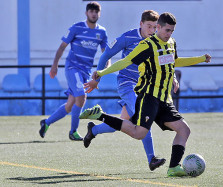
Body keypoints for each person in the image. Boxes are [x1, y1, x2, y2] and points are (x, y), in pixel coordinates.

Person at [79, 12, 211, 177]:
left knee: (183, 130)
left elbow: (173, 61)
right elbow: (125, 61)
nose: (169, 34)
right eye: (166, 30)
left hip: (164, 98)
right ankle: (151, 157)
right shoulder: (146, 45)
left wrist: (199, 59)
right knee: (138, 131)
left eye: (172, 31)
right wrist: (101, 73)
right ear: (157, 27)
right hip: (144, 93)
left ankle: (173, 167)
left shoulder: (171, 43)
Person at [83, 10, 178, 171]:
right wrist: (96, 79)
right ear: (140, 24)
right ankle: (152, 158)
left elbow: (165, 62)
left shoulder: (157, 41)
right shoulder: (127, 37)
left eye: (155, 27)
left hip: (144, 86)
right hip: (127, 83)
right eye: (149, 26)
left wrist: (173, 77)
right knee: (142, 119)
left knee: (126, 122)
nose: (152, 30)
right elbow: (106, 55)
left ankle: (94, 129)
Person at [39, 2, 110, 141]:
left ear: (99, 14)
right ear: (86, 13)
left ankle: (46, 122)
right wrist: (54, 66)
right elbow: (62, 47)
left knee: (70, 104)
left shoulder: (101, 32)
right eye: (91, 11)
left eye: (96, 11)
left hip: (86, 71)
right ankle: (73, 132)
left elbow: (106, 54)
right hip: (73, 67)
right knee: (82, 97)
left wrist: (106, 68)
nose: (94, 13)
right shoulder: (76, 28)